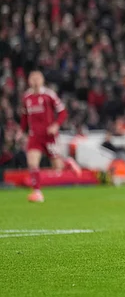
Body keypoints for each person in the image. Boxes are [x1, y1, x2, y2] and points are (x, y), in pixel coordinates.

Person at [20, 71, 81, 202]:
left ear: (42, 80)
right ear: (29, 81)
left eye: (38, 78)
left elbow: (63, 112)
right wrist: (21, 131)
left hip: (49, 136)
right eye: (33, 78)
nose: (35, 81)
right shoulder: (26, 97)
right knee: (32, 163)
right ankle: (37, 192)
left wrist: (56, 125)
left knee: (57, 166)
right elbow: (25, 117)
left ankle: (68, 163)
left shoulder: (49, 95)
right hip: (34, 136)